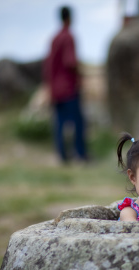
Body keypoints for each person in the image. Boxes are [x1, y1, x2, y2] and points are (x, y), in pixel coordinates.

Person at [44, 6, 88, 164]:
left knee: (60, 123)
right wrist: (81, 74)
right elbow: (70, 62)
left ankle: (62, 156)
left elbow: (48, 65)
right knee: (79, 122)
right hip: (68, 88)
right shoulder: (68, 37)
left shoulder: (54, 38)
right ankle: (80, 155)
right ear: (70, 17)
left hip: (56, 89)